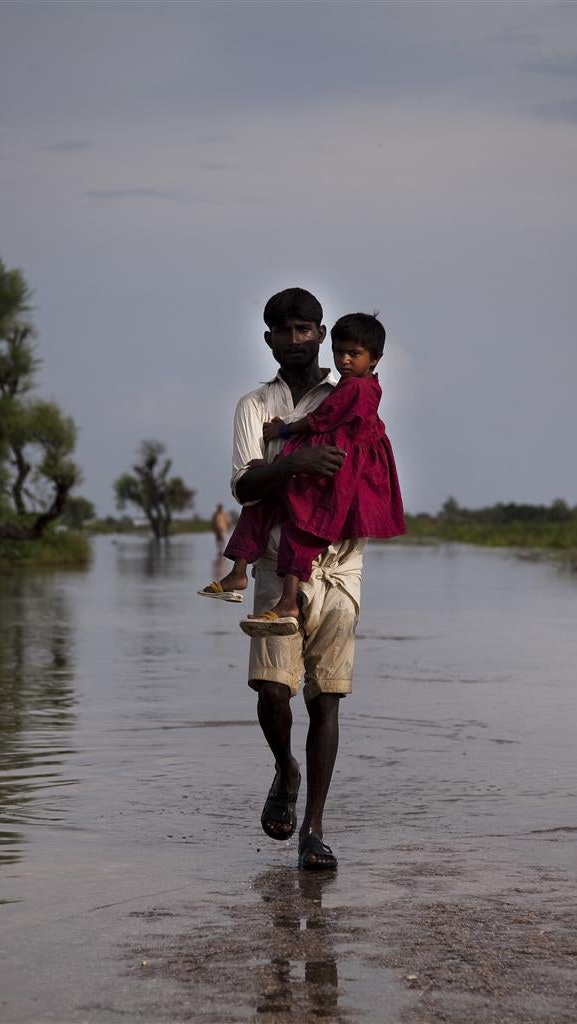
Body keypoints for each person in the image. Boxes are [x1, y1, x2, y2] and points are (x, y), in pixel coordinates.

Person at [220, 286, 361, 871]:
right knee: (272, 692)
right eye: (286, 330)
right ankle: (286, 767)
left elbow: (365, 465)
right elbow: (245, 485)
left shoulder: (350, 397)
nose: (297, 340)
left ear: (323, 333)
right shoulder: (255, 406)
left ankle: (315, 830)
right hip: (278, 563)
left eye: (307, 329)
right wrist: (296, 462)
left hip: (339, 563)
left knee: (326, 696)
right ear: (269, 339)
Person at [203, 313, 403, 629]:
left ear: (375, 359)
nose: (345, 360)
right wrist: (282, 464)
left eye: (354, 354)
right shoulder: (255, 403)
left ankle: (286, 601)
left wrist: (284, 432)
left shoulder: (356, 390)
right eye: (341, 353)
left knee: (303, 528)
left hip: (333, 480)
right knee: (261, 507)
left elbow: (321, 420)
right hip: (311, 471)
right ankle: (240, 572)